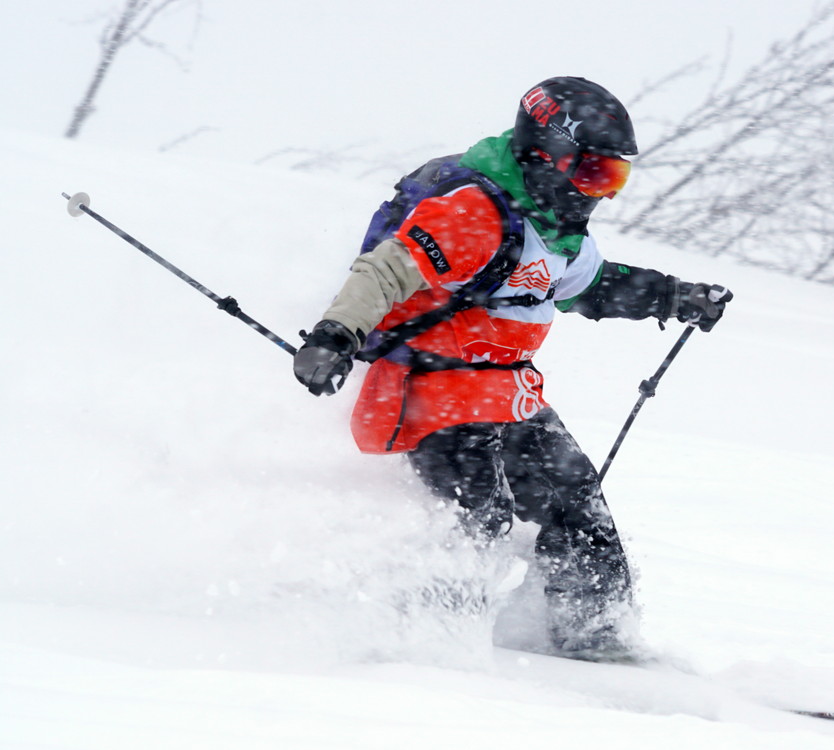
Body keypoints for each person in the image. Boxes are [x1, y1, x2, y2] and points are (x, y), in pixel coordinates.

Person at [293, 76, 730, 661]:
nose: (602, 193)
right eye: (595, 173)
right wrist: (334, 335)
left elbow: (591, 287)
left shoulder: (557, 232)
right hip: (431, 386)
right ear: (549, 154)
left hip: (504, 390)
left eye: (615, 178)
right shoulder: (474, 214)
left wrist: (673, 296)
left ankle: (594, 638)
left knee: (578, 503)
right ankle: (430, 643)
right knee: (480, 513)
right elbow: (386, 271)